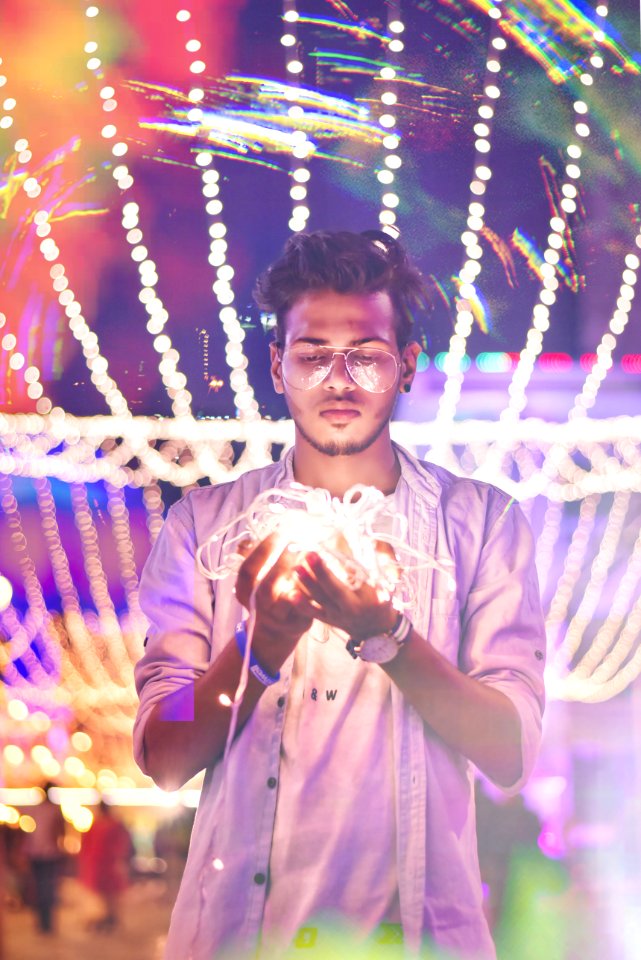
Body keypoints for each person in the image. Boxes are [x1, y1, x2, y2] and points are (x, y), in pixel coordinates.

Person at [134, 230, 546, 960]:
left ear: (408, 367)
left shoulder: (481, 524)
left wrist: (387, 636)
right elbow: (164, 757)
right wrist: (258, 648)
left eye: (365, 356)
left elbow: (509, 749)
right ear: (277, 367)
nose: (338, 380)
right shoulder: (203, 528)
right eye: (312, 356)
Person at [78, 800, 133, 931]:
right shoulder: (112, 824)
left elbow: (86, 845)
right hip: (105, 863)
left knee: (107, 892)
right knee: (109, 893)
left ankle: (110, 916)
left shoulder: (100, 824)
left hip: (102, 863)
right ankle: (110, 916)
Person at [23, 781, 65, 934]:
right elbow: (61, 831)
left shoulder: (36, 809)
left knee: (41, 889)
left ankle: (43, 923)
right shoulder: (55, 809)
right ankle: (46, 923)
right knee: (47, 889)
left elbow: (29, 831)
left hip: (38, 854)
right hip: (49, 854)